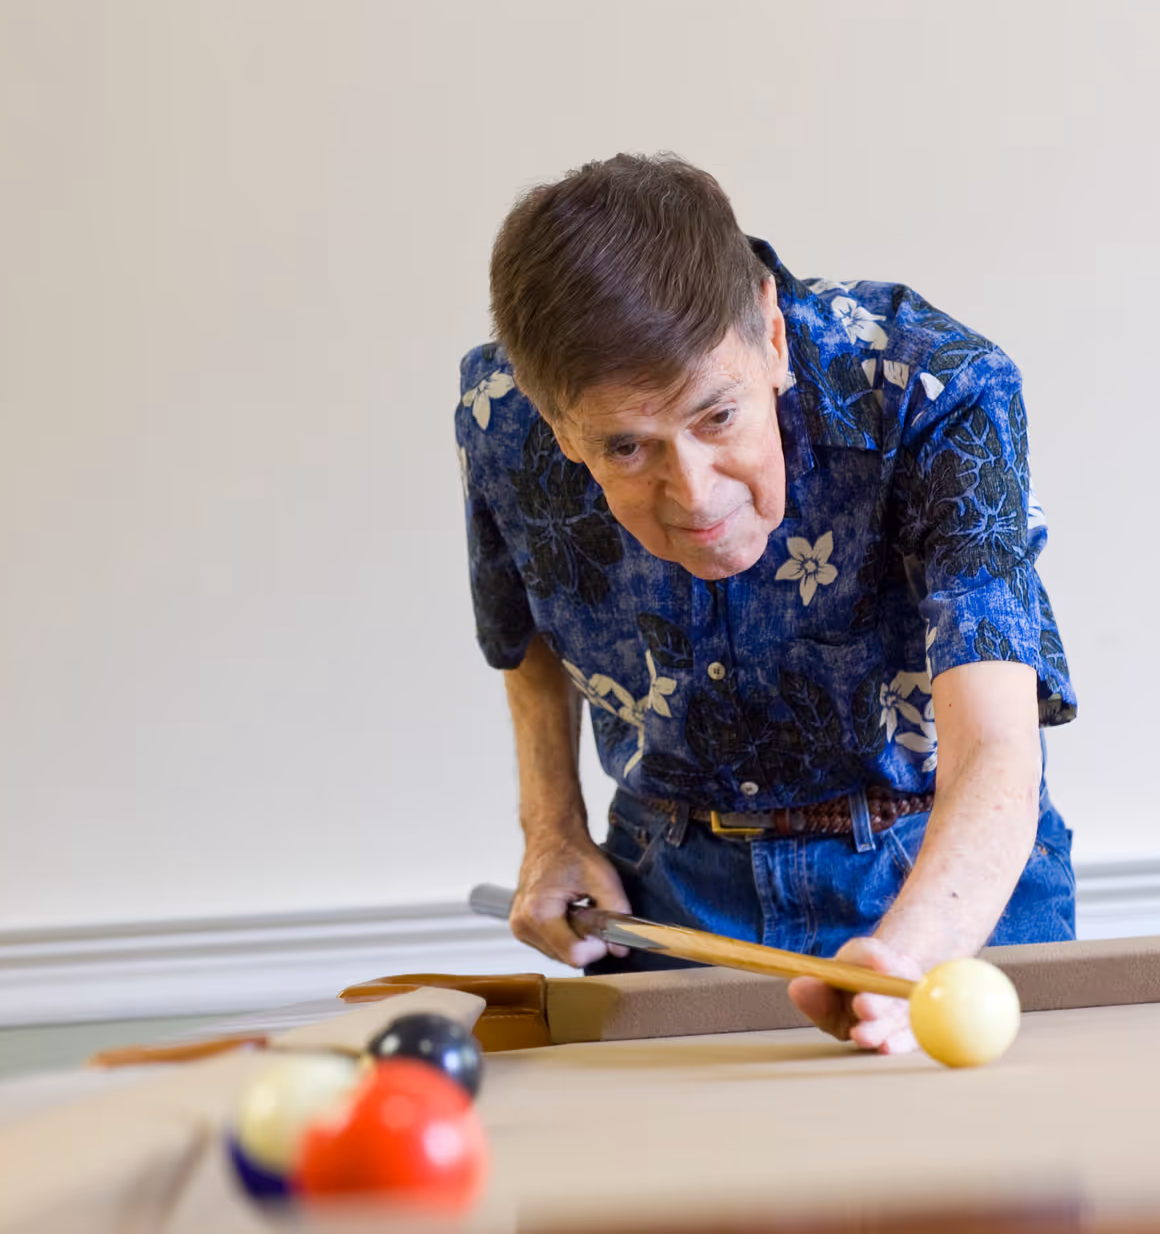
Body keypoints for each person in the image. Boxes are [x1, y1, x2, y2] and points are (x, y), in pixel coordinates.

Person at [455, 153, 1076, 1055]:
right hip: (673, 894)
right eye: (628, 449)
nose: (696, 494)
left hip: (940, 875)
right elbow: (526, 632)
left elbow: (996, 749)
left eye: (716, 417)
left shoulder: (940, 387)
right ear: (558, 426)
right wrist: (552, 830)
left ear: (772, 340)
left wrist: (908, 958)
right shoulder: (500, 414)